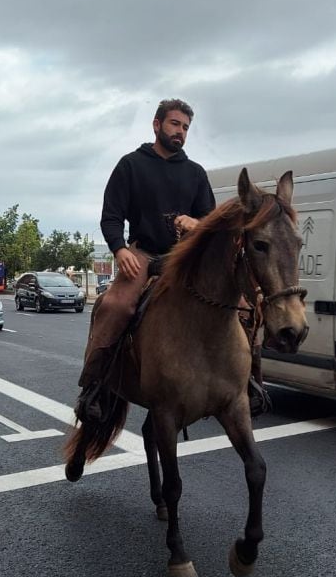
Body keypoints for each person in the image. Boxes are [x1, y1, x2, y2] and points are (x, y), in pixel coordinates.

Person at [75, 98, 269, 423]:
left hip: (187, 259)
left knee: (247, 309)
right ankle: (92, 387)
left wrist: (197, 224)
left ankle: (250, 382)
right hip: (143, 255)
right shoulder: (131, 165)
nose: (180, 132)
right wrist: (120, 250)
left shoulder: (195, 173)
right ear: (157, 125)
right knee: (114, 306)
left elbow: (211, 221)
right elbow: (111, 217)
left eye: (186, 128)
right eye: (175, 124)